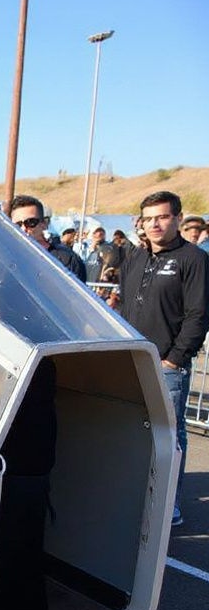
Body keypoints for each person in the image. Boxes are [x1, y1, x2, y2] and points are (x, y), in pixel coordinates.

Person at [110, 191, 209, 528]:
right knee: (132, 430)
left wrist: (174, 359)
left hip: (167, 367)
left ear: (178, 218)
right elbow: (124, 306)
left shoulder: (193, 259)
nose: (154, 224)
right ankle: (136, 495)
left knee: (170, 436)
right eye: (148, 218)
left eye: (162, 217)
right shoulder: (135, 257)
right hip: (130, 361)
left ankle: (170, 503)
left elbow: (198, 315)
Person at [8, 196, 86, 282]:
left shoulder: (66, 260)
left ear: (44, 224)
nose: (23, 228)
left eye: (31, 222)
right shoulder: (5, 258)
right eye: (18, 224)